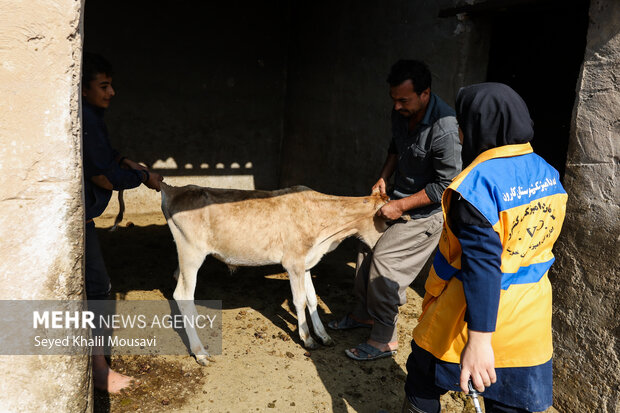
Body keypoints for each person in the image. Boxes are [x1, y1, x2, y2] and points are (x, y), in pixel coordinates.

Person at [402, 83, 568, 413]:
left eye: (463, 123)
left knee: (422, 379)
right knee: (508, 402)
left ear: (479, 126)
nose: (460, 133)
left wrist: (480, 341)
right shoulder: (547, 173)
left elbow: (483, 267)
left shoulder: (476, 186)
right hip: (529, 320)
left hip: (471, 318)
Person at [328, 60, 462, 361]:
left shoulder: (445, 130)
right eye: (393, 99)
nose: (397, 106)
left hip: (424, 215)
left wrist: (400, 205)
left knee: (385, 266)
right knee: (364, 250)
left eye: (404, 100)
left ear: (425, 94)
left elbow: (447, 185)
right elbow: (395, 147)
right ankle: (363, 315)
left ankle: (384, 339)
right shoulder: (402, 112)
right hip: (395, 199)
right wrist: (384, 176)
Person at [82, 52, 163, 393]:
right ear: (83, 89)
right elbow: (103, 177)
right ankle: (98, 370)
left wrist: (128, 162)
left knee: (93, 287)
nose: (111, 92)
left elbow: (107, 155)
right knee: (97, 288)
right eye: (104, 86)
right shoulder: (86, 118)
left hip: (82, 218)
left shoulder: (89, 116)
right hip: (77, 220)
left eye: (111, 85)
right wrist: (142, 176)